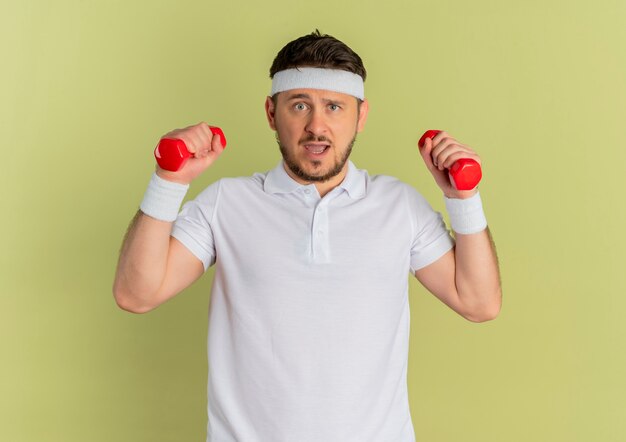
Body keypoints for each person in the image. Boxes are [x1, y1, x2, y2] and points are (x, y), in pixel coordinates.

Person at [113, 30, 501, 442]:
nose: (317, 126)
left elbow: (479, 302)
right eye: (300, 105)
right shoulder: (227, 203)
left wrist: (463, 198)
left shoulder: (398, 206)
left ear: (361, 115)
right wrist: (168, 182)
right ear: (271, 112)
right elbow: (137, 294)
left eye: (334, 107)